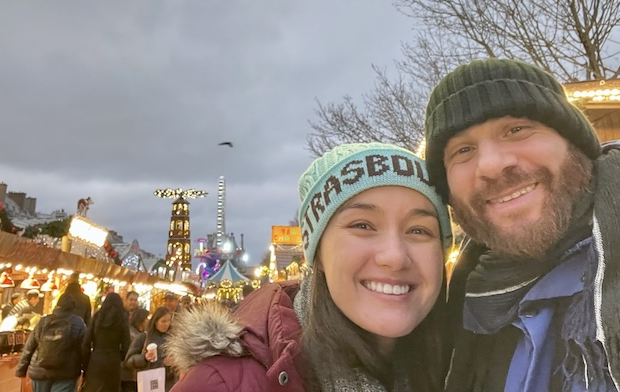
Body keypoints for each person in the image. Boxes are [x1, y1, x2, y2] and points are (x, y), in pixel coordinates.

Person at [423, 58, 620, 392]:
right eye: (463, 150)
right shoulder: (469, 307)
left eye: (516, 129)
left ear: (575, 143)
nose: (490, 165)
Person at [168, 142, 453, 392]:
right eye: (362, 225)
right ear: (316, 255)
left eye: (419, 230)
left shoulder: (473, 367)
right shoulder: (221, 384)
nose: (394, 256)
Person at [16, 294, 87, 392]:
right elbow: (84, 348)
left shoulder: (44, 321)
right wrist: (86, 371)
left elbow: (30, 346)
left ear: (57, 306)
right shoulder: (78, 323)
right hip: (66, 373)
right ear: (73, 308)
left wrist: (21, 370)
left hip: (40, 370)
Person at [81, 292, 131, 392]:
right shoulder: (123, 318)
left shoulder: (97, 316)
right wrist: (119, 357)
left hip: (96, 360)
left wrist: (86, 363)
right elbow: (126, 345)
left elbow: (86, 342)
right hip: (114, 360)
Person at [125, 307, 176, 391]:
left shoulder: (174, 338)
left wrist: (175, 361)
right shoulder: (144, 337)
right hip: (150, 380)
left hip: (169, 382)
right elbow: (129, 360)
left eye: (169, 320)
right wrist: (144, 358)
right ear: (155, 322)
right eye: (163, 321)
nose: (167, 324)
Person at [121, 308, 150, 392]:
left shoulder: (138, 333)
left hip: (131, 375)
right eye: (147, 318)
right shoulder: (133, 336)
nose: (149, 321)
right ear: (141, 319)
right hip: (128, 376)